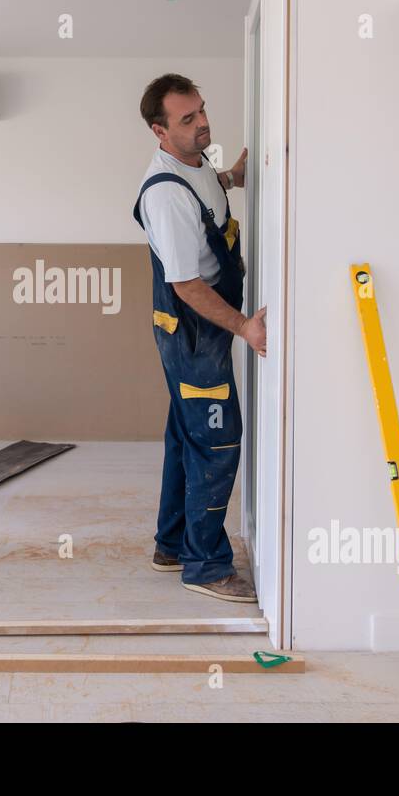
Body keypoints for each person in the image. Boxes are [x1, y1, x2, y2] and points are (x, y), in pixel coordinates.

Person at [132, 73, 266, 602]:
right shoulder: (165, 194)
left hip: (198, 328)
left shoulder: (197, 162)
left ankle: (171, 547)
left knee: (185, 436)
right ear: (159, 131)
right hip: (192, 330)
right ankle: (205, 566)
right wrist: (243, 326)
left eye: (202, 111)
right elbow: (186, 284)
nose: (203, 123)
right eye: (187, 119)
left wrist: (233, 175)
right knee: (216, 441)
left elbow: (211, 193)